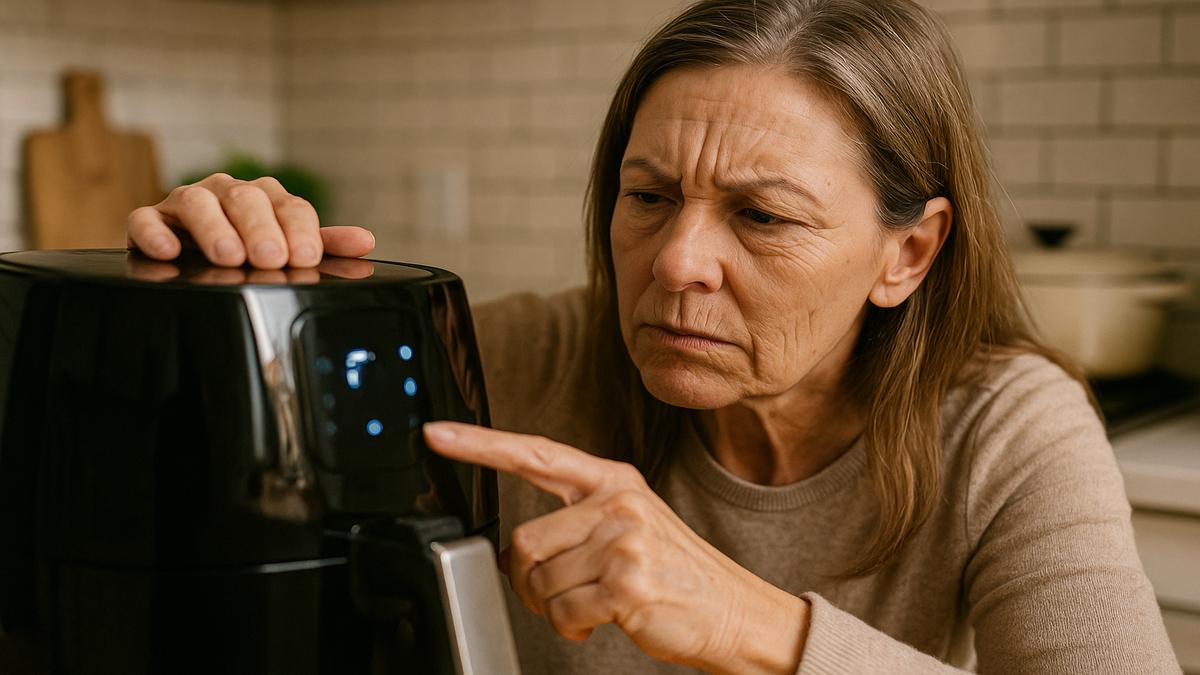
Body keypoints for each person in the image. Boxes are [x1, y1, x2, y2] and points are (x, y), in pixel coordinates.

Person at [126, 0, 1181, 672]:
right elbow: (213, 457)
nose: (677, 261)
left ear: (908, 255)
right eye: (648, 195)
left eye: (762, 216)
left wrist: (756, 626)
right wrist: (208, 291)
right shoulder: (515, 359)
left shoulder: (1011, 427)